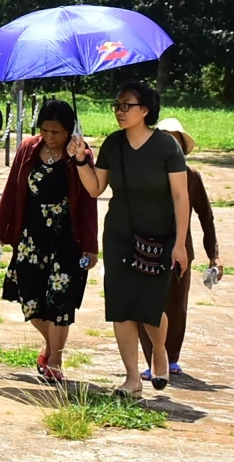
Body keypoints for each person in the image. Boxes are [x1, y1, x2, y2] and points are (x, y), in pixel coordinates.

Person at [69, 80, 189, 397]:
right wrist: (82, 161)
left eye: (127, 106)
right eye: (117, 106)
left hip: (159, 237)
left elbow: (180, 196)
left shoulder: (166, 147)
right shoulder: (113, 144)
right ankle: (132, 379)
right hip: (120, 235)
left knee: (150, 307)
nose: (120, 112)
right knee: (121, 307)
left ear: (145, 110)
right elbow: (95, 188)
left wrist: (180, 243)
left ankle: (159, 351)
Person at [0, 99, 100, 381]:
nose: (50, 138)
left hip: (66, 240)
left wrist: (90, 246)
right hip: (31, 238)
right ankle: (51, 346)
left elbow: (89, 200)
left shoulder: (79, 154)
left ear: (69, 131)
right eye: (45, 131)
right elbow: (12, 189)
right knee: (29, 299)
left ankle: (55, 361)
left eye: (57, 132)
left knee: (60, 304)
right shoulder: (29, 148)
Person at [145, 117, 218, 382]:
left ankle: (171, 357)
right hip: (148, 248)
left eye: (174, 141)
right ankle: (151, 358)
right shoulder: (144, 174)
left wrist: (215, 256)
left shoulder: (191, 177)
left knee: (176, 306)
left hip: (180, 252)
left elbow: (206, 218)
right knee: (147, 304)